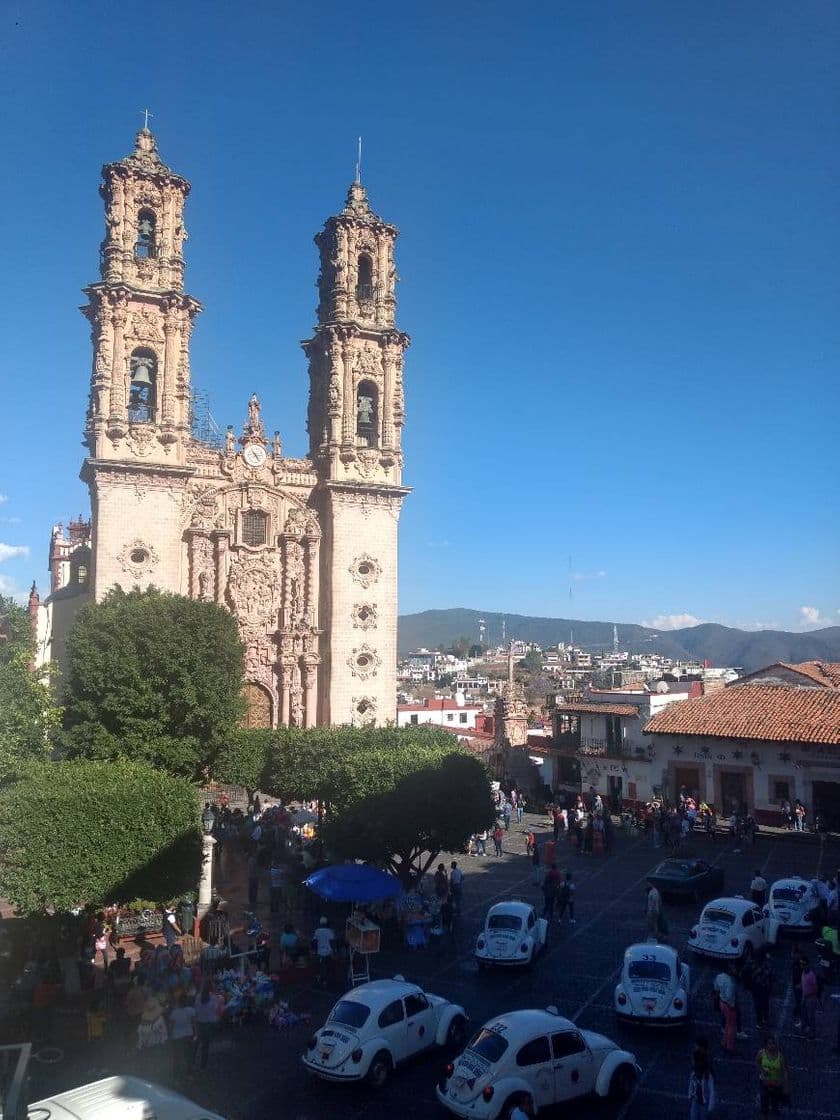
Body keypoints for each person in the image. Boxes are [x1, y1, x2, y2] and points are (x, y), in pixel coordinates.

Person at [756, 1036, 788, 1116]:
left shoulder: (780, 1057)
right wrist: (762, 1071)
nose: (771, 1046)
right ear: (766, 1045)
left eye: (773, 1044)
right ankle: (764, 1112)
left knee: (775, 1100)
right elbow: (757, 1063)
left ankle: (775, 1111)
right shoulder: (761, 1053)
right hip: (764, 1081)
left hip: (776, 1082)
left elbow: (784, 1071)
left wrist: (782, 1082)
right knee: (764, 1098)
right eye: (769, 1044)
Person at [193, 981, 221, 1070]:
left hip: (198, 1024)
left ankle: (192, 1062)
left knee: (196, 1045)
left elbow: (195, 1010)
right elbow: (216, 1010)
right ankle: (203, 1066)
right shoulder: (214, 998)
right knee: (205, 1046)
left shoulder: (198, 997)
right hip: (208, 1025)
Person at [168, 991, 196, 1076]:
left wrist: (170, 1036)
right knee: (188, 1056)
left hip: (177, 1037)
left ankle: (176, 1076)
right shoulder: (191, 1011)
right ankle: (189, 1074)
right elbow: (194, 1024)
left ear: (178, 1002)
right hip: (188, 1035)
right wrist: (195, 1034)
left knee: (177, 1057)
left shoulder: (174, 1013)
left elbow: (171, 1026)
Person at [687, 1048, 716, 1120]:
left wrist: (710, 1107)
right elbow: (691, 1084)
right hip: (695, 1101)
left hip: (704, 1103)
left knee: (702, 1117)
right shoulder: (694, 1074)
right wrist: (690, 1094)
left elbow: (712, 1091)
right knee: (693, 1117)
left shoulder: (708, 1076)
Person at [714, 967, 737, 1053]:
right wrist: (732, 1005)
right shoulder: (730, 982)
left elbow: (716, 988)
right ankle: (729, 1046)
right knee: (731, 1026)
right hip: (729, 1005)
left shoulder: (719, 977)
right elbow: (729, 996)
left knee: (727, 1024)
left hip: (721, 1002)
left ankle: (724, 1042)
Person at [312, 916, 335, 988]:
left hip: (320, 952)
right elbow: (332, 942)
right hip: (328, 952)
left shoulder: (317, 931)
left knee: (320, 967)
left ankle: (320, 979)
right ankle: (325, 981)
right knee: (328, 967)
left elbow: (315, 941)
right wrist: (334, 951)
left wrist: (315, 951)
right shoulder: (330, 931)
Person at [800, 959, 820, 1039]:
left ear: (808, 965)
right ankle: (804, 1029)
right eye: (801, 964)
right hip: (804, 997)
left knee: (811, 1017)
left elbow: (816, 989)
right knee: (804, 1015)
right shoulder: (803, 973)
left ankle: (812, 1034)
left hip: (810, 999)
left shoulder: (811, 975)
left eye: (804, 964)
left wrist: (807, 994)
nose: (802, 966)